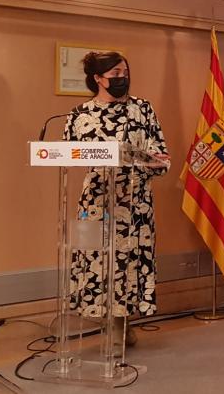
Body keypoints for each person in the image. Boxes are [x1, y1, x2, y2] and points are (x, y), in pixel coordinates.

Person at [64, 51, 171, 349]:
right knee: (97, 261)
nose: (122, 78)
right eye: (114, 74)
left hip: (134, 203)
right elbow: (67, 154)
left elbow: (161, 157)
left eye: (125, 71)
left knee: (129, 263)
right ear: (97, 79)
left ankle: (122, 324)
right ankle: (103, 320)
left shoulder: (142, 110)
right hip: (96, 202)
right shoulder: (78, 114)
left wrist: (154, 161)